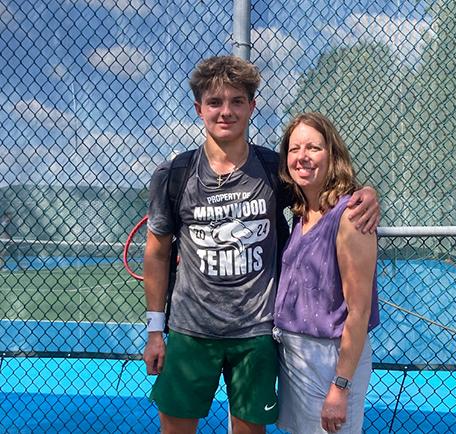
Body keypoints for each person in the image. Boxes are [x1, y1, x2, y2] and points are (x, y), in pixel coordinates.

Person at [143, 56, 380, 434]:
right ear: (198, 108)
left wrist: (366, 194)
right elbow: (156, 251)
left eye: (237, 101)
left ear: (252, 107)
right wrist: (156, 330)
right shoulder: (174, 174)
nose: (226, 111)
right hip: (190, 331)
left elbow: (322, 189)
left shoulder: (274, 170)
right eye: (215, 102)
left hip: (255, 334)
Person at [273, 112, 380, 434]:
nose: (302, 157)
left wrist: (340, 386)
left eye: (313, 148)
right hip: (295, 356)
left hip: (329, 359)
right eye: (294, 149)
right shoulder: (301, 211)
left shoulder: (350, 216)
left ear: (332, 154)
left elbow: (358, 311)